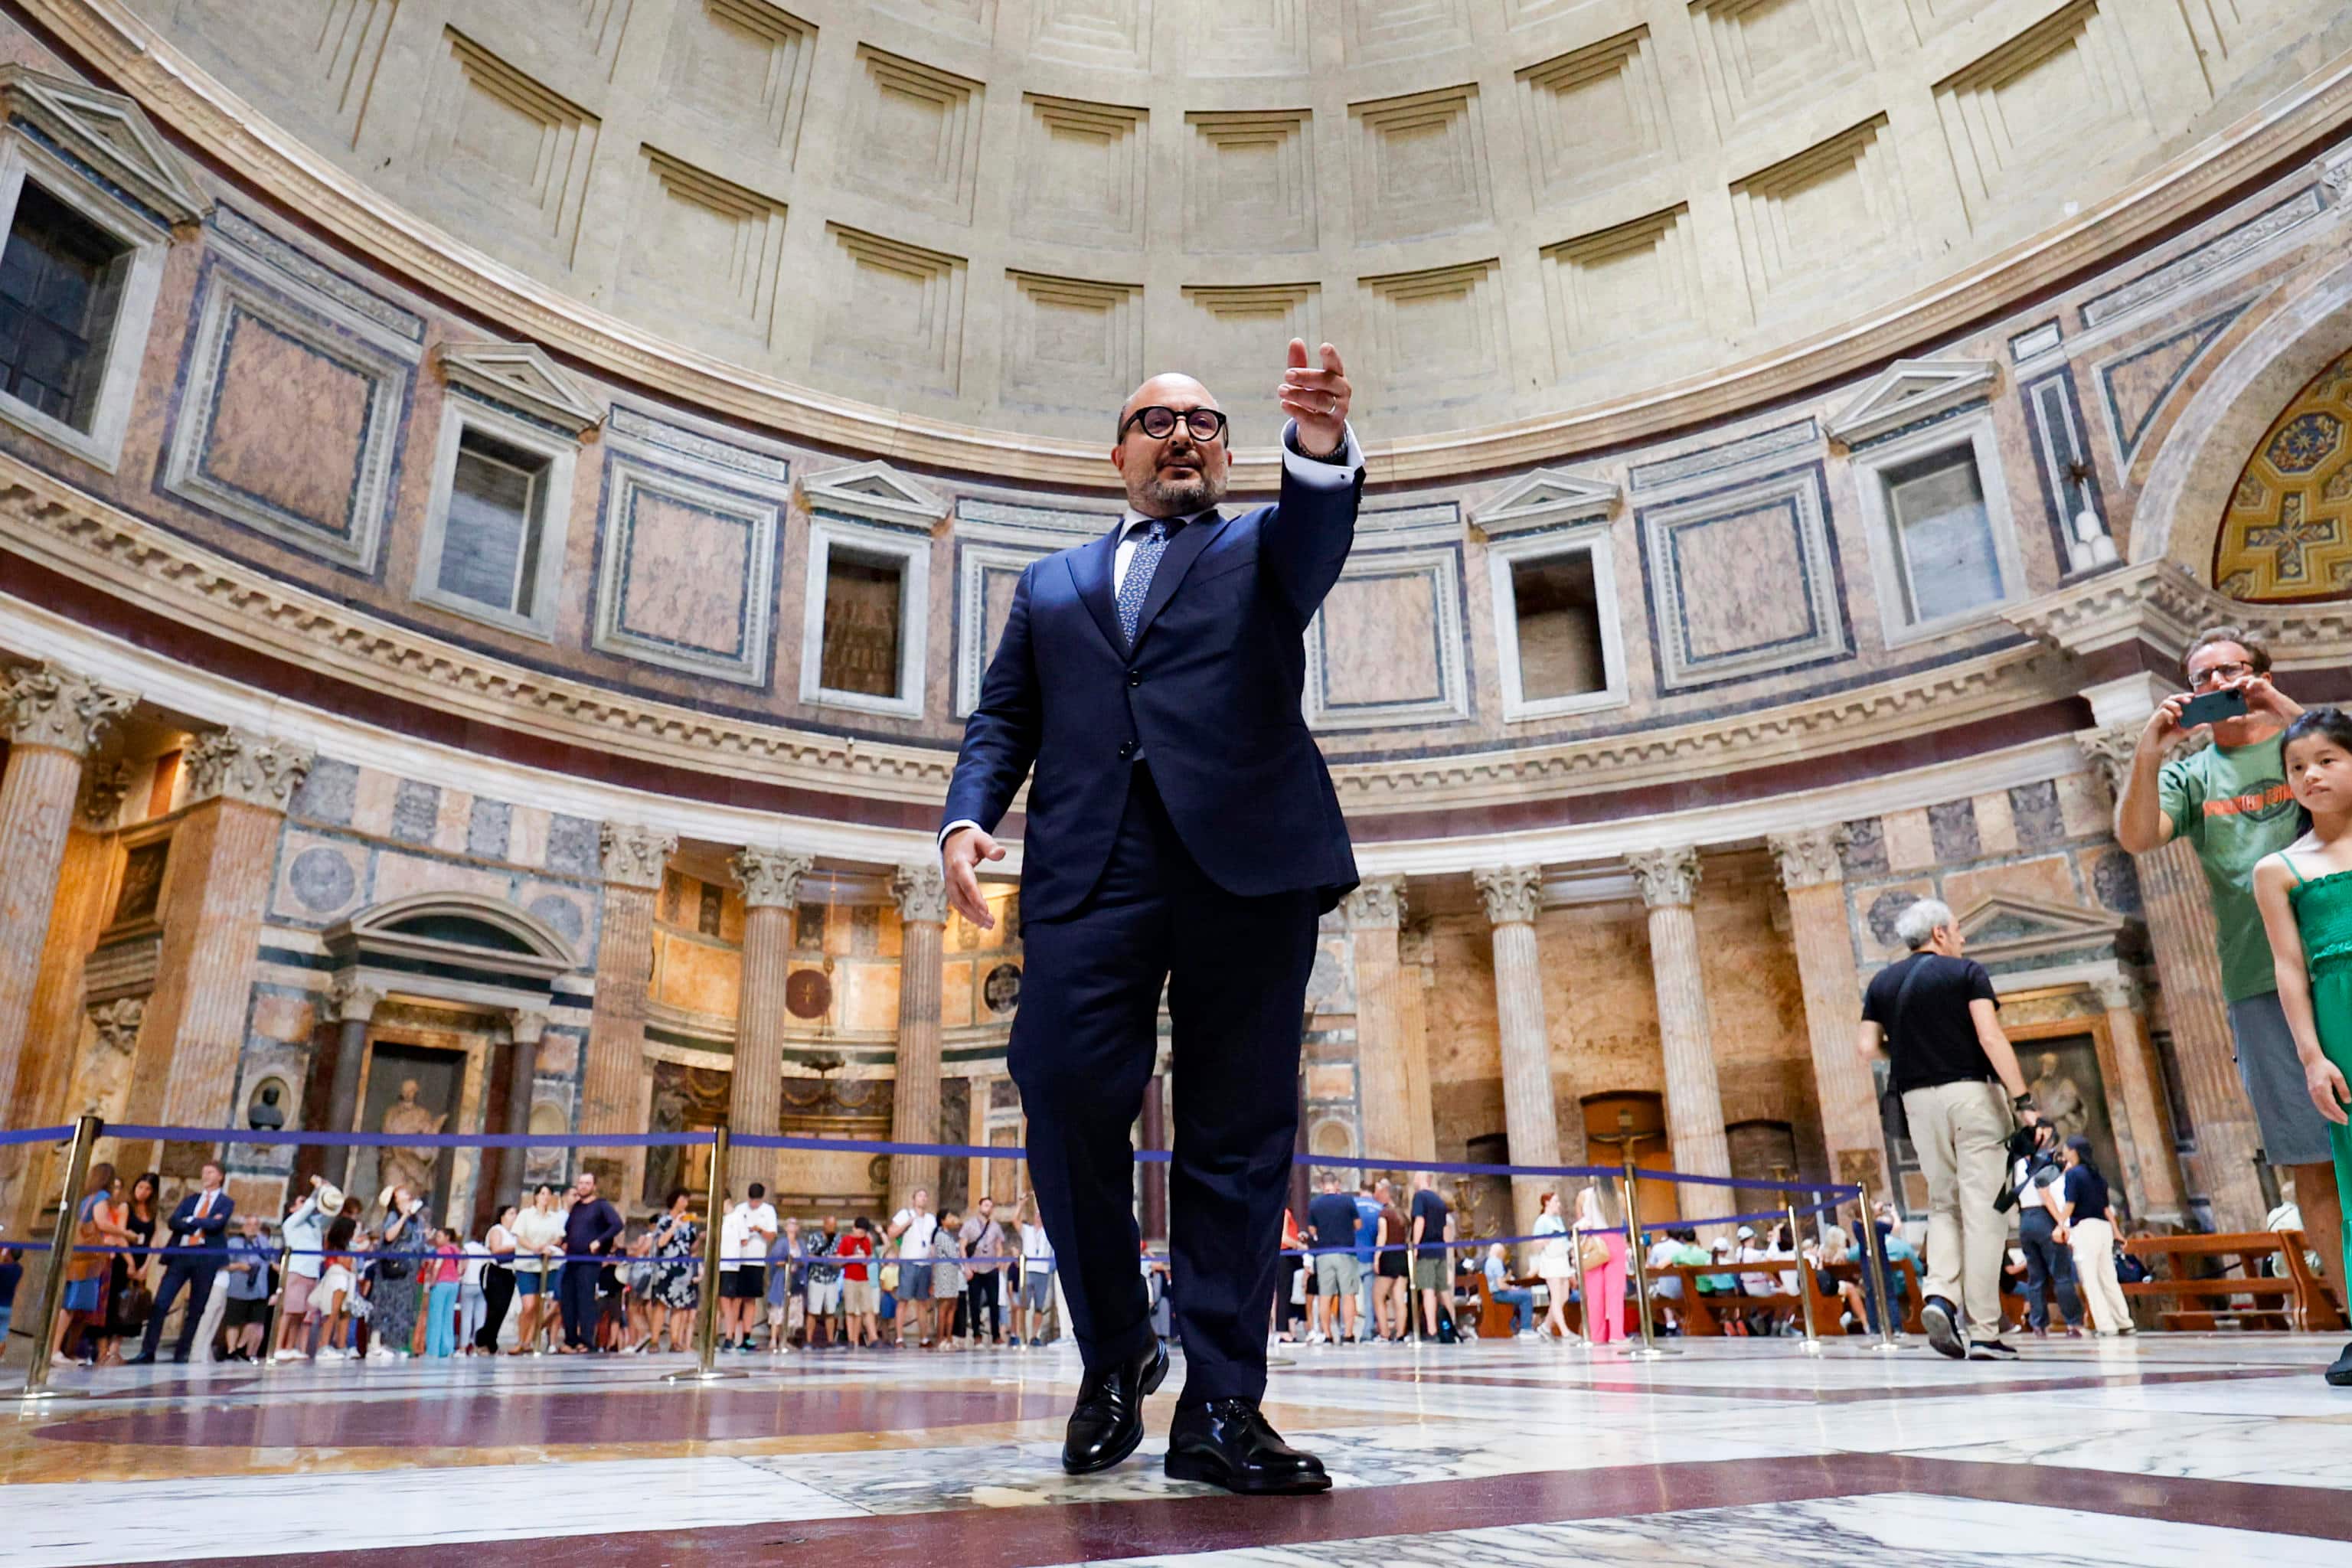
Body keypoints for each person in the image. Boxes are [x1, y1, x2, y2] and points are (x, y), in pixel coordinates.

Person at [936, 340, 1361, 1492]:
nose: (1184, 435)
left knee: (1238, 1134)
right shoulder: (1052, 583)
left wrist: (1317, 448)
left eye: (1207, 423)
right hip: (1089, 870)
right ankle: (1120, 1348)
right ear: (1116, 452)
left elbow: (1321, 527)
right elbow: (1002, 720)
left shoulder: (1262, 547)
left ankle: (1223, 1408)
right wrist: (967, 819)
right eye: (1158, 421)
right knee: (1063, 1090)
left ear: (1227, 452)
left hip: (1250, 862)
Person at [2116, 628, 2344, 1277]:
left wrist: (2279, 705)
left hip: (2340, 956)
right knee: (2309, 1159)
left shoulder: (2303, 749)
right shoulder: (2193, 776)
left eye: (2230, 671)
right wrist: (2148, 754)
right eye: (2200, 679)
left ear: (2259, 674)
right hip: (2257, 979)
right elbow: (2137, 836)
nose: (2215, 685)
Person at [1860, 897, 2037, 1362]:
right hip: (1971, 1095)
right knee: (1984, 1211)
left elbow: (1866, 1047)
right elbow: (1990, 1036)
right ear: (1939, 933)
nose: (1963, 939)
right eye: (1957, 931)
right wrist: (2024, 1103)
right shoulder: (1966, 973)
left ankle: (1940, 1296)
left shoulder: (1881, 982)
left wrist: (1905, 1054)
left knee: (1943, 1204)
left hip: (1917, 1102)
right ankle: (1983, 1331)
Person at [2253, 706, 2352, 1382]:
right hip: (2339, 1016)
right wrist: (2313, 1058)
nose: (2311, 774)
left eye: (2327, 760)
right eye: (2296, 767)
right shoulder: (2279, 867)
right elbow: (2290, 970)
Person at [129, 1161, 235, 1364]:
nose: (205, 1176)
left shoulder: (225, 1202)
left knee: (196, 1307)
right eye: (204, 1172)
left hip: (206, 1256)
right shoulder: (190, 1200)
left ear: (220, 1176)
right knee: (161, 1302)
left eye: (210, 1172)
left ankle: (183, 1352)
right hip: (182, 1253)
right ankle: (147, 1351)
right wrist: (194, 1223)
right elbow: (174, 1221)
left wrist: (192, 1221)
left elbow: (216, 1224)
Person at [2053, 1135, 2135, 1335]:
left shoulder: (2073, 1175)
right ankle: (2124, 1321)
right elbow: (2107, 1208)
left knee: (2090, 1279)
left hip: (2085, 1229)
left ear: (2073, 1151)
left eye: (2065, 1148)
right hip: (2103, 1228)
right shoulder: (2098, 1176)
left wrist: (2060, 1224)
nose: (2063, 1151)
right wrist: (2117, 1232)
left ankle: (2106, 1325)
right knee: (2108, 1277)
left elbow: (2070, 1204)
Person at [2011, 1122, 2085, 1338]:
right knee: (2061, 1274)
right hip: (2045, 1216)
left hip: (2025, 1219)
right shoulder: (2044, 1161)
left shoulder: (2016, 1166)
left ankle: (2038, 1323)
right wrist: (2061, 1223)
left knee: (2036, 1276)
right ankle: (2073, 1323)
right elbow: (2046, 1194)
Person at [56, 1163, 130, 1367]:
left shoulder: (85, 1198)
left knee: (78, 1308)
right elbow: (102, 1222)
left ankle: (68, 1350)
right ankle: (55, 1350)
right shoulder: (101, 1198)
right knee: (71, 1305)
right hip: (87, 1259)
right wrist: (126, 1233)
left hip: (80, 1255)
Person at [557, 1170, 623, 1353]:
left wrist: (600, 1241)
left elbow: (617, 1224)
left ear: (593, 1187)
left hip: (589, 1261)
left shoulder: (601, 1206)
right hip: (572, 1259)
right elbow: (569, 1229)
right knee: (568, 1299)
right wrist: (564, 1242)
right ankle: (571, 1340)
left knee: (585, 1300)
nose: (583, 1186)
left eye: (587, 1183)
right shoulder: (576, 1207)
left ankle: (586, 1341)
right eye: (581, 1183)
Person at [273, 1175, 338, 1362]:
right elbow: (309, 1207)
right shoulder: (291, 1224)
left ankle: (291, 1346)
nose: (306, 1204)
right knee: (290, 1310)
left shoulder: (314, 1225)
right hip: (297, 1270)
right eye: (300, 1202)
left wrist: (328, 1191)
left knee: (302, 1312)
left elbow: (330, 1213)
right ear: (293, 1208)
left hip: (311, 1271)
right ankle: (279, 1346)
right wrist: (316, 1191)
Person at [100, 1171, 158, 1365]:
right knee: (117, 1303)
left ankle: (116, 1348)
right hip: (124, 1260)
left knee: (132, 1306)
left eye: (148, 1188)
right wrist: (130, 1262)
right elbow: (121, 1235)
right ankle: (105, 1349)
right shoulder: (127, 1207)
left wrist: (146, 1266)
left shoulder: (152, 1212)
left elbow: (154, 1240)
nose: (143, 1191)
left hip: (142, 1261)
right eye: (140, 1186)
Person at [368, 1185, 426, 1361]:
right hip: (390, 1268)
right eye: (403, 1194)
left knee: (402, 1306)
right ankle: (377, 1343)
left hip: (408, 1269)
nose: (408, 1196)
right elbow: (389, 1236)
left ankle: (395, 1343)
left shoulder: (417, 1220)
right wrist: (404, 1217)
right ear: (396, 1200)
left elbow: (419, 1241)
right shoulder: (393, 1216)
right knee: (385, 1303)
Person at [717, 1183, 776, 1351]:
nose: (753, 1204)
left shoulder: (768, 1211)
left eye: (756, 1201)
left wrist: (759, 1230)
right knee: (735, 1298)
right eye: (751, 1200)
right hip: (738, 1258)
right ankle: (733, 1336)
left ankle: (747, 1336)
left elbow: (771, 1235)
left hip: (756, 1259)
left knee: (750, 1298)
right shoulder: (740, 1210)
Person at [1304, 1173, 1361, 1347]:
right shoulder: (1347, 1201)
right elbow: (1358, 1225)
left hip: (1324, 1253)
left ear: (1322, 1186)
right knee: (1348, 1294)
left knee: (1325, 1296)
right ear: (1337, 1184)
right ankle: (1348, 1334)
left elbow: (1312, 1230)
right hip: (1345, 1252)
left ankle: (1327, 1335)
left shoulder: (1315, 1204)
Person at [509, 1183, 564, 1354]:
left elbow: (559, 1238)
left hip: (547, 1265)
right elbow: (519, 1236)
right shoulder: (526, 1215)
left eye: (548, 1194)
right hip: (527, 1265)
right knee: (529, 1305)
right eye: (542, 1194)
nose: (545, 1197)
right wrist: (535, 1248)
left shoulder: (554, 1218)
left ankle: (529, 1340)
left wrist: (549, 1246)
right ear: (536, 1196)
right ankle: (521, 1339)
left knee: (541, 1305)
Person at [643, 1188, 698, 1353]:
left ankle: (675, 1341)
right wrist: (674, 1226)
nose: (685, 1203)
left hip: (682, 1268)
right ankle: (654, 1340)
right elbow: (660, 1242)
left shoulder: (689, 1223)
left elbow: (692, 1246)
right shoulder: (664, 1221)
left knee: (679, 1305)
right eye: (683, 1200)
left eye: (687, 1200)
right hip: (665, 1268)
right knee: (660, 1304)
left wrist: (701, 1239)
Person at [887, 1187, 938, 1348]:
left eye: (925, 1196)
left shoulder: (931, 1219)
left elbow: (933, 1241)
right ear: (913, 1199)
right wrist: (906, 1224)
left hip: (925, 1264)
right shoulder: (905, 1215)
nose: (923, 1198)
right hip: (909, 1262)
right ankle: (900, 1338)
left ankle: (924, 1338)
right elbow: (891, 1233)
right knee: (903, 1300)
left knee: (923, 1302)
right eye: (920, 1196)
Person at [220, 1213, 274, 1361]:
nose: (252, 1228)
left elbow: (271, 1261)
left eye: (255, 1225)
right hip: (238, 1288)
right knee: (233, 1322)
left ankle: (245, 1349)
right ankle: (231, 1350)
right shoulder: (234, 1243)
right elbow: (224, 1264)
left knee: (256, 1322)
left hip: (259, 1289)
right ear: (243, 1226)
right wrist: (240, 1266)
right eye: (249, 1225)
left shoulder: (263, 1242)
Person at [1576, 1186, 1627, 1345]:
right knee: (1615, 1292)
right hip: (1614, 1240)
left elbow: (1580, 1220)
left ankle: (1597, 1335)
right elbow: (1624, 1221)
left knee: (1594, 1293)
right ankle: (1616, 1334)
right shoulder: (1618, 1196)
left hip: (1593, 1242)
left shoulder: (1583, 1195)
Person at [1407, 1172, 1450, 1341]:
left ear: (1421, 1179)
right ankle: (1451, 1325)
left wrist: (1415, 1246)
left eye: (1416, 1178)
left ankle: (1432, 1330)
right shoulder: (1439, 1200)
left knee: (1428, 1290)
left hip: (1426, 1248)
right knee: (1443, 1290)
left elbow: (1420, 1221)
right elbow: (1445, 1227)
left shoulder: (1420, 1197)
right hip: (1440, 1248)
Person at [963, 1196, 1008, 1348]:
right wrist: (966, 1266)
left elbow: (999, 1246)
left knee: (994, 1303)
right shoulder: (969, 1225)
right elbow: (962, 1246)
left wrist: (998, 1260)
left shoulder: (995, 1226)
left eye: (990, 1206)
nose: (987, 1208)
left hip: (991, 1268)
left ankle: (996, 1336)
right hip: (975, 1268)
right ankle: (977, 1336)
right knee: (975, 1304)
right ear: (979, 1207)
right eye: (985, 1205)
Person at [1531, 1191, 1575, 1341]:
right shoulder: (1542, 1221)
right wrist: (1546, 1241)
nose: (1559, 1204)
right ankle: (1565, 1332)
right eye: (1556, 1201)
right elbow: (1536, 1242)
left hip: (1562, 1259)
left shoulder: (1558, 1220)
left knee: (1564, 1296)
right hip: (1551, 1261)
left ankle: (1545, 1327)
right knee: (1556, 1297)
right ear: (1547, 1203)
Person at [477, 1203, 519, 1353]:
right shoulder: (497, 1230)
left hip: (509, 1272)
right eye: (511, 1213)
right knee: (496, 1307)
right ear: (502, 1217)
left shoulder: (515, 1235)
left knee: (503, 1309)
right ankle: (482, 1339)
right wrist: (516, 1247)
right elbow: (496, 1249)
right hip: (495, 1270)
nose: (515, 1216)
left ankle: (491, 1340)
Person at [1370, 1180, 1409, 1342]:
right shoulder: (1405, 1216)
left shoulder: (1385, 1214)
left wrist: (1377, 1257)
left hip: (1389, 1255)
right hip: (1402, 1256)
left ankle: (1384, 1333)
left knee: (1377, 1296)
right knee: (1399, 1298)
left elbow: (1382, 1236)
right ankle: (1400, 1333)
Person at [1016, 1194, 1054, 1347]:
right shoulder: (1027, 1230)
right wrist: (1021, 1205)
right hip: (1028, 1270)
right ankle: (1021, 1335)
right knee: (1023, 1304)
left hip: (1043, 1271)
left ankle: (1034, 1336)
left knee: (1039, 1306)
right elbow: (1015, 1220)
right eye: (1038, 1215)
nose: (1040, 1218)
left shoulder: (1049, 1233)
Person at [766, 1215, 805, 1354]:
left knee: (792, 1310)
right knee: (778, 1310)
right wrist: (788, 1263)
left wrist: (799, 1264)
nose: (793, 1226)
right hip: (782, 1278)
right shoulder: (781, 1243)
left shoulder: (800, 1243)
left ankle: (786, 1339)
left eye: (795, 1224)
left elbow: (804, 1259)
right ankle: (773, 1340)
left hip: (795, 1279)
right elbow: (775, 1260)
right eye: (790, 1223)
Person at [839, 1217, 879, 1348]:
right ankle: (851, 1339)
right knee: (850, 1310)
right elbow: (840, 1260)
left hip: (864, 1279)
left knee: (866, 1309)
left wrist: (864, 1260)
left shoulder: (866, 1241)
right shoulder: (846, 1240)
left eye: (863, 1233)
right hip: (850, 1278)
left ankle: (869, 1338)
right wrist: (854, 1258)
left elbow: (868, 1257)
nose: (861, 1235)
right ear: (854, 1228)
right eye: (859, 1232)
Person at [931, 1207, 968, 1350]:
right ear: (943, 1220)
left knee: (953, 1306)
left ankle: (949, 1337)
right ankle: (941, 1338)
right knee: (944, 1306)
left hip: (953, 1272)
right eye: (950, 1217)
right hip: (944, 1272)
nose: (953, 1220)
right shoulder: (940, 1236)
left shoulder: (950, 1235)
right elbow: (953, 1254)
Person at [805, 1215, 842, 1348]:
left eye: (834, 1226)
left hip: (831, 1279)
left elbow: (841, 1256)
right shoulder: (814, 1237)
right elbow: (808, 1255)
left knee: (831, 1311)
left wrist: (837, 1261)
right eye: (830, 1225)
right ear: (825, 1224)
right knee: (813, 1311)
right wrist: (823, 1259)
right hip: (817, 1278)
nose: (832, 1228)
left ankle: (830, 1340)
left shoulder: (838, 1238)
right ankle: (809, 1341)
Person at [424, 1227, 462, 1357]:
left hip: (441, 1284)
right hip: (454, 1284)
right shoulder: (456, 1250)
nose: (437, 1239)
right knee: (448, 1316)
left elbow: (437, 1267)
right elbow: (461, 1267)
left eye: (439, 1236)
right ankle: (447, 1348)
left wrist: (433, 1282)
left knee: (436, 1317)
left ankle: (433, 1350)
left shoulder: (441, 1250)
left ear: (447, 1238)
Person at [1482, 1243, 1535, 1338]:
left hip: (1492, 1294)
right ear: (1500, 1253)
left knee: (1519, 1294)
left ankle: (1513, 1326)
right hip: (1499, 1294)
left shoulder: (1488, 1262)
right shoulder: (1497, 1263)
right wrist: (1512, 1288)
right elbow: (1501, 1286)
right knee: (1527, 1295)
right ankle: (1526, 1329)